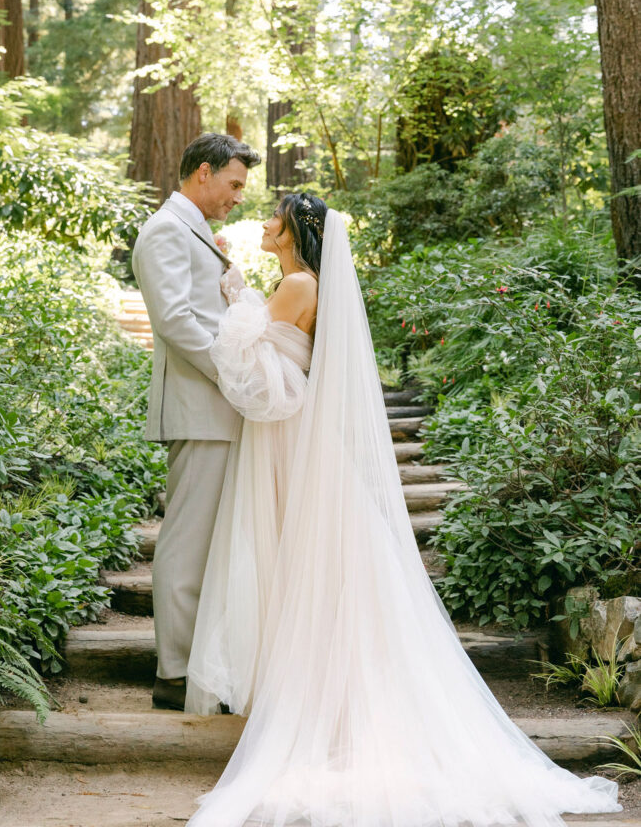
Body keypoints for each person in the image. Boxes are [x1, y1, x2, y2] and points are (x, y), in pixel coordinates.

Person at [183, 193, 621, 827]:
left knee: (299, 558)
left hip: (285, 437)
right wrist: (245, 296)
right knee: (311, 560)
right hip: (293, 432)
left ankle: (318, 708)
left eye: (274, 216)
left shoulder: (299, 284)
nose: (264, 221)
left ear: (294, 231)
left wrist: (235, 301)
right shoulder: (297, 283)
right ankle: (314, 698)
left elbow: (244, 368)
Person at [131, 131, 260, 711]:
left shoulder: (192, 231)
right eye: (233, 183)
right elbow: (176, 320)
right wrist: (231, 375)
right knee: (186, 543)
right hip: (201, 407)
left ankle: (202, 661)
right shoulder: (163, 231)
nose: (237, 196)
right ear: (203, 173)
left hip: (217, 409)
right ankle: (174, 672)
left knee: (212, 542)